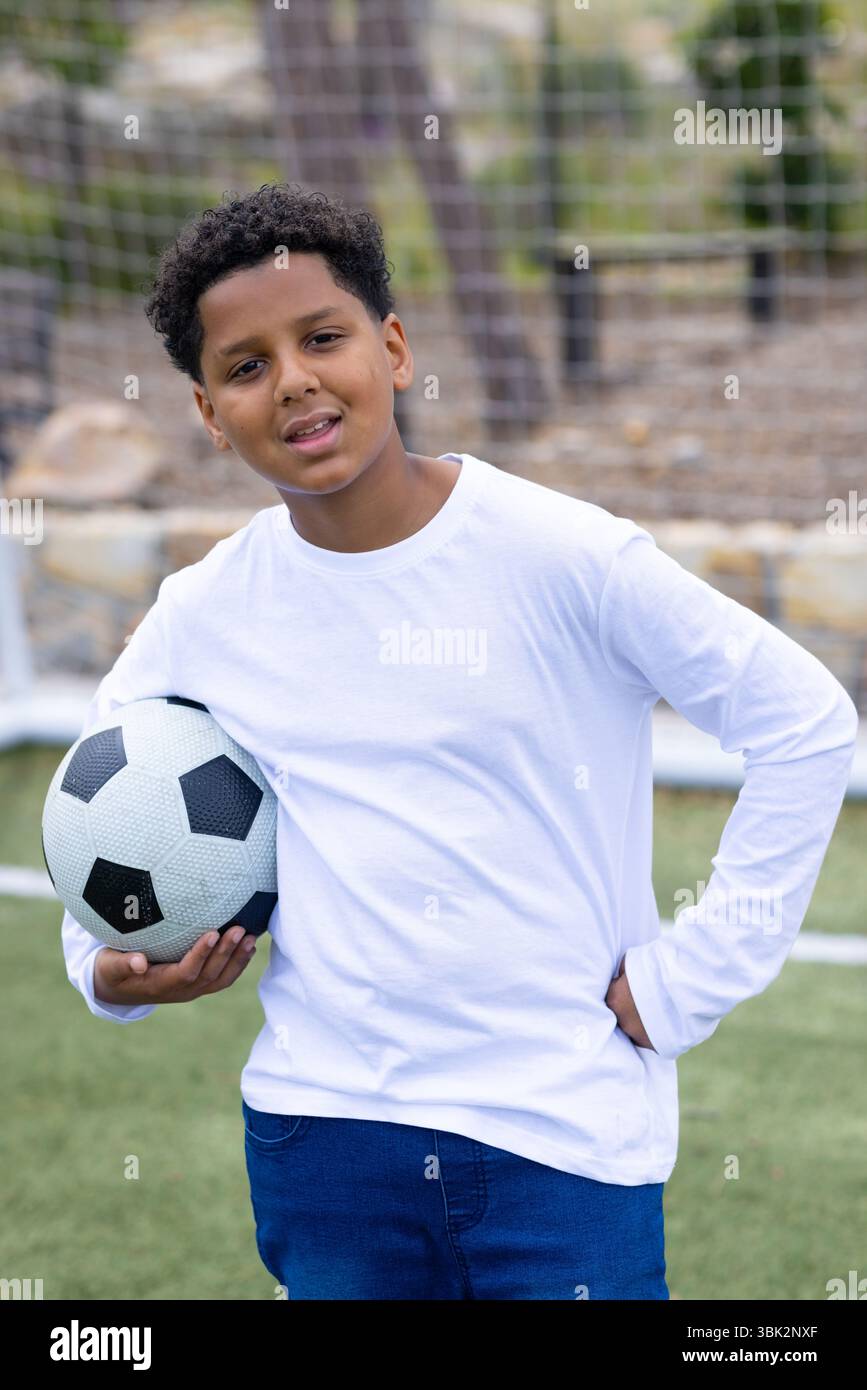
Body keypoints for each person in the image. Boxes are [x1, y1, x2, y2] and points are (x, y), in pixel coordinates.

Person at [60, 183, 858, 1300]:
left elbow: (807, 724)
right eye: (245, 367)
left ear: (393, 348)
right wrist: (108, 970)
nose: (292, 380)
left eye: (322, 338)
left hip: (558, 1136)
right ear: (207, 412)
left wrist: (692, 978)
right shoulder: (207, 608)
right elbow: (95, 806)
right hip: (322, 1135)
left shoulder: (562, 555)